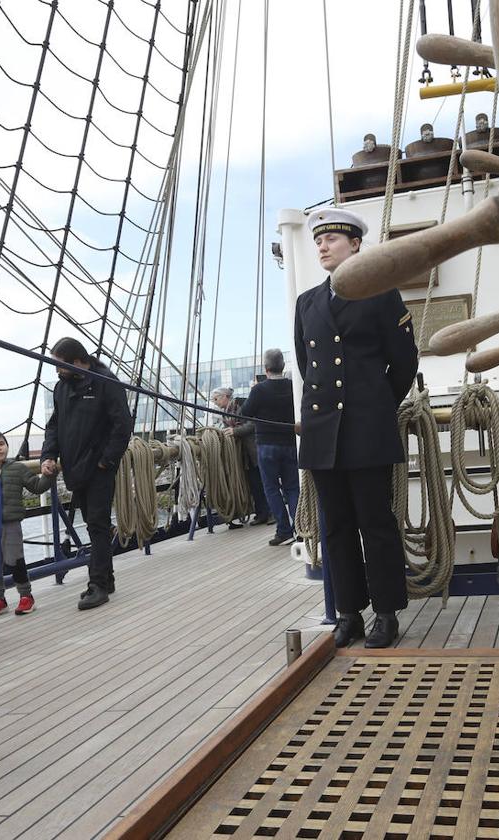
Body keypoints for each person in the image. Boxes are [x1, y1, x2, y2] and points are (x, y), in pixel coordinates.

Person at [294, 208, 418, 649]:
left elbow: (404, 361)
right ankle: (349, 613)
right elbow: (308, 366)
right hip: (323, 432)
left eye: (331, 240)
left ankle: (386, 613)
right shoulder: (307, 303)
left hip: (366, 429)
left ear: (355, 245)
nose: (323, 247)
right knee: (336, 526)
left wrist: (377, 405)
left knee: (375, 522)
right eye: (319, 241)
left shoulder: (381, 293)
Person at [41, 338, 134, 610]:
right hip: (75, 468)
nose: (57, 371)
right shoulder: (62, 388)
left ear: (78, 361)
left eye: (60, 365)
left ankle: (98, 585)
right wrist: (48, 455)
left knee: (97, 523)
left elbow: (122, 425)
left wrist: (106, 461)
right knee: (95, 524)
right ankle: (107, 577)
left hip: (98, 467)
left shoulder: (106, 382)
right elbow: (54, 426)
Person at [0, 429, 54, 617]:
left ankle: (26, 596)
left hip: (11, 522)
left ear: (7, 446)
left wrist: (49, 475)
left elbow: (37, 486)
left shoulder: (18, 468)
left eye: (1, 444)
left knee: (15, 559)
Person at [240, 349, 299, 546]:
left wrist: (255, 390)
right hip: (291, 443)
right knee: (292, 487)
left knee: (271, 488)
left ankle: (283, 531)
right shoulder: (293, 387)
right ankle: (300, 528)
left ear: (266, 369)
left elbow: (245, 413)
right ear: (283, 367)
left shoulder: (259, 390)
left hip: (266, 445)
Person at [213, 386, 272, 530]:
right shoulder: (226, 413)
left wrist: (235, 431)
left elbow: (253, 424)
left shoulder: (241, 405)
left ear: (225, 396)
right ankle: (261, 514)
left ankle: (272, 514)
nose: (214, 402)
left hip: (255, 449)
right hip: (245, 455)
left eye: (216, 399)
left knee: (265, 484)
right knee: (255, 485)